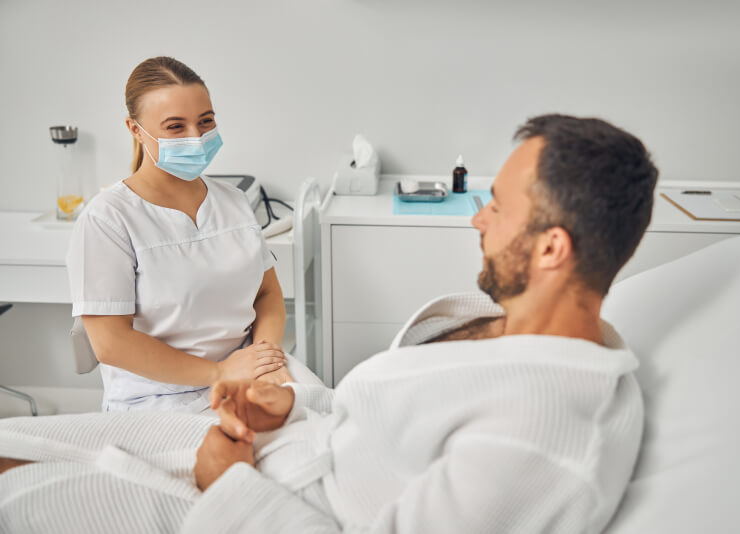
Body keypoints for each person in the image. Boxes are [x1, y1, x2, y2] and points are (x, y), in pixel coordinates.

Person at [0, 114, 658, 533]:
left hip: (249, 507)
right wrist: (284, 410)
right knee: (20, 444)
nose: (477, 218)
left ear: (551, 249)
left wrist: (227, 486)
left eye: (499, 207)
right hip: (272, 445)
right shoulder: (510, 323)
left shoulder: (544, 441)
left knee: (25, 500)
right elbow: (375, 424)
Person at [65, 57, 292, 412]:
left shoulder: (233, 201)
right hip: (158, 399)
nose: (196, 137)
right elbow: (110, 343)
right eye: (175, 126)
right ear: (135, 129)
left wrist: (263, 361)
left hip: (248, 376)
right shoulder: (108, 219)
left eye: (206, 121)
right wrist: (219, 372)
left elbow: (267, 293)